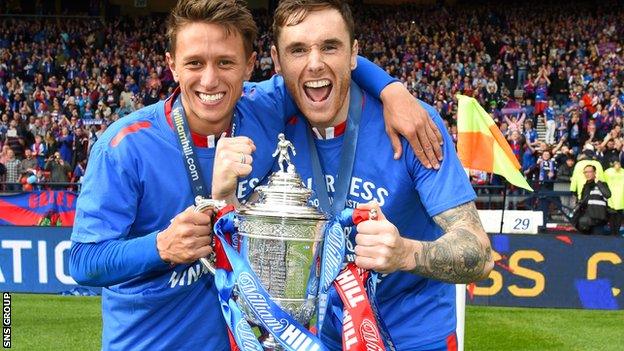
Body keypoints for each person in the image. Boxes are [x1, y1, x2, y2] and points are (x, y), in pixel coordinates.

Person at [69, 1, 443, 350]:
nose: (210, 80)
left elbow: (329, 63)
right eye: (195, 63)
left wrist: (393, 90)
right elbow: (83, 261)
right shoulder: (124, 147)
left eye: (226, 63)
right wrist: (161, 247)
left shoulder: (265, 107)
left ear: (250, 66)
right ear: (172, 65)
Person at [214, 1, 493, 349]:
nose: (315, 63)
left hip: (412, 337)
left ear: (353, 53)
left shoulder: (413, 126)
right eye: (297, 50)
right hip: (309, 337)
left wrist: (405, 253)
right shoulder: (264, 109)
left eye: (330, 46)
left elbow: (480, 254)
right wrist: (223, 196)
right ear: (277, 59)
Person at [572, 165, 611, 235]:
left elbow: (608, 194)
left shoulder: (602, 184)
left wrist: (598, 182)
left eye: (590, 172)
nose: (587, 174)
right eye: (585, 172)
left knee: (598, 242)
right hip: (587, 220)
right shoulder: (585, 186)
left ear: (595, 173)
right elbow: (584, 202)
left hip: (598, 219)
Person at [604, 161, 623, 236]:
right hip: (611, 198)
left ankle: (616, 232)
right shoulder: (608, 172)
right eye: (616, 164)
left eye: (619, 163)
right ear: (613, 164)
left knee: (618, 216)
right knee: (612, 216)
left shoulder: (608, 172)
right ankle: (613, 232)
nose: (618, 165)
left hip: (620, 199)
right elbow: (603, 181)